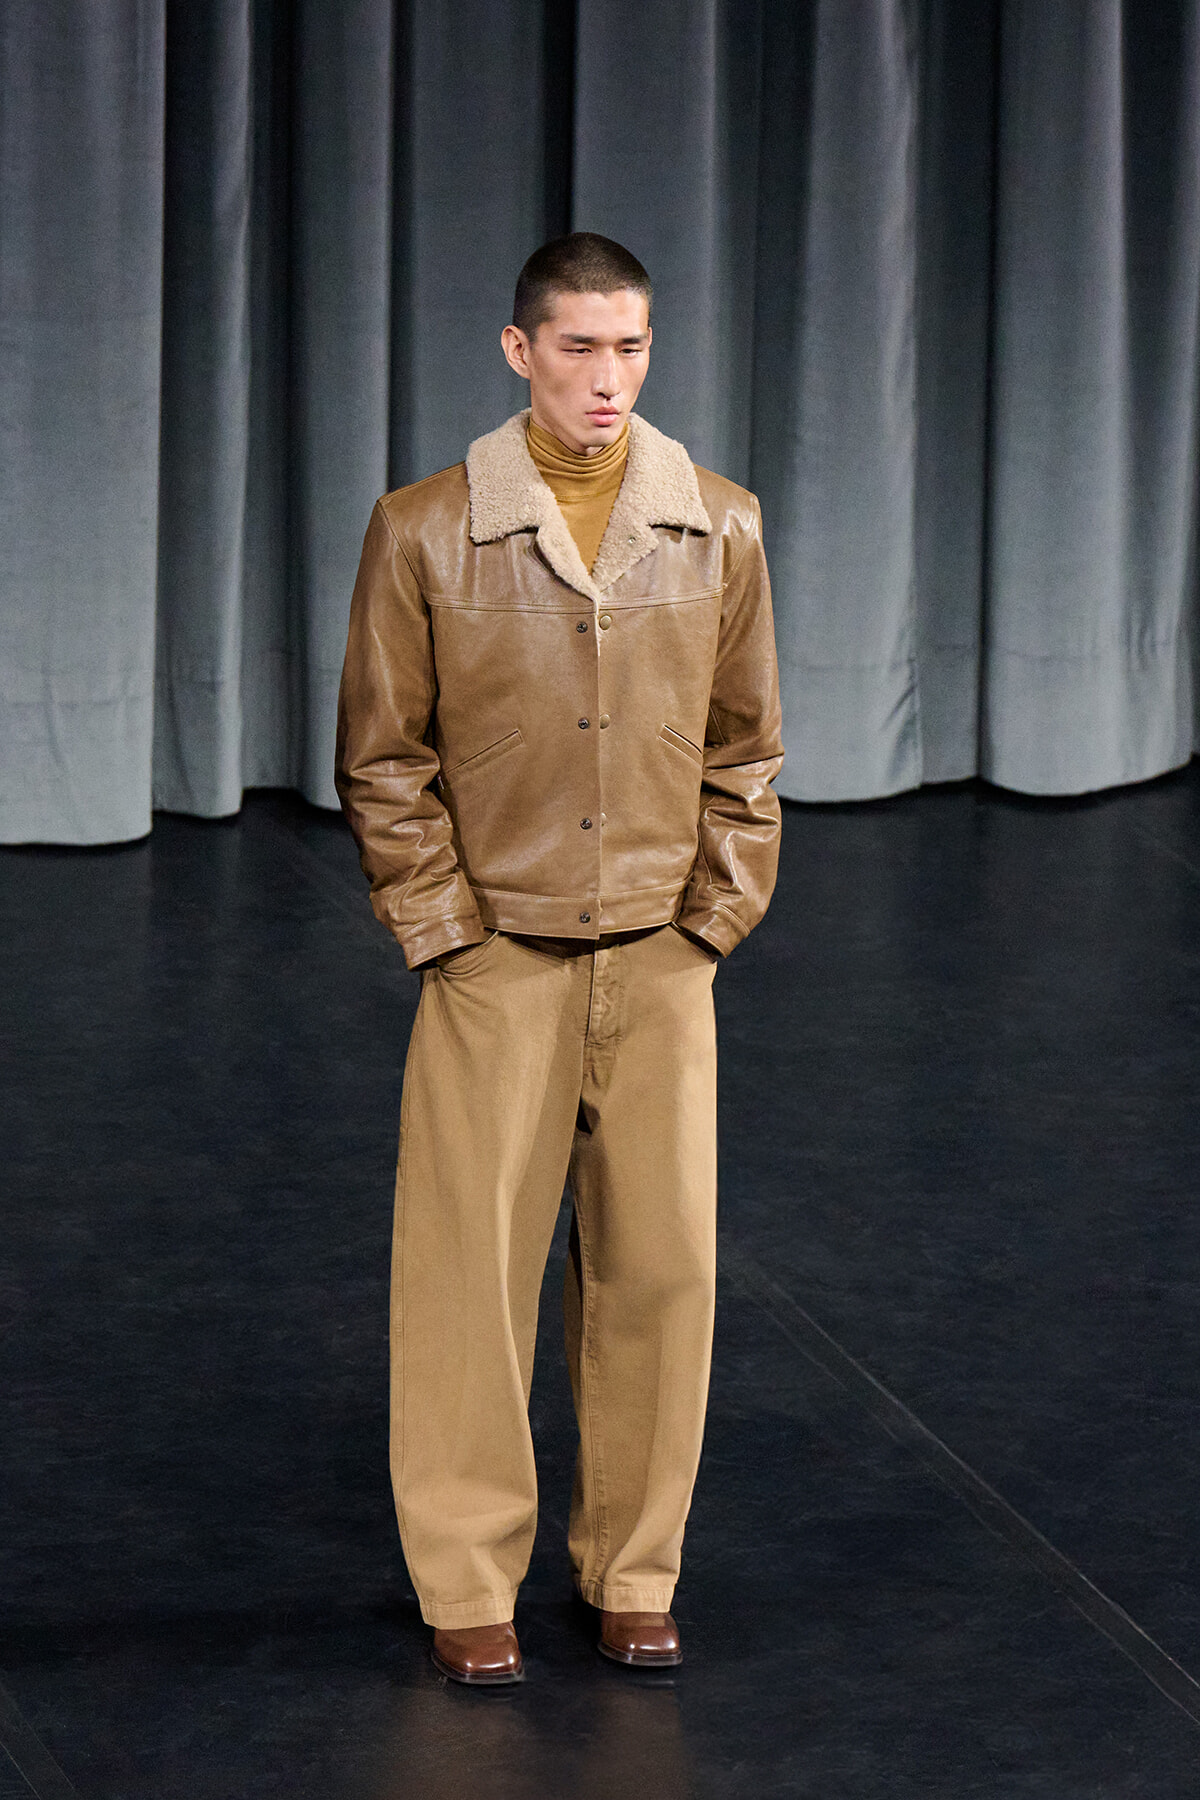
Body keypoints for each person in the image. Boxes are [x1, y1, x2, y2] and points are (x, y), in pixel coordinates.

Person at [335, 232, 783, 1685]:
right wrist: (445, 934)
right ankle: (467, 1577)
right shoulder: (426, 529)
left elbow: (747, 750)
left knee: (663, 1274)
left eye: (633, 347)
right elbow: (383, 758)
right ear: (518, 350)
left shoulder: (718, 525)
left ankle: (633, 1569)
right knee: (469, 1278)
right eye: (581, 347)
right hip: (499, 965)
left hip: (659, 962)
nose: (610, 377)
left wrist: (713, 919)